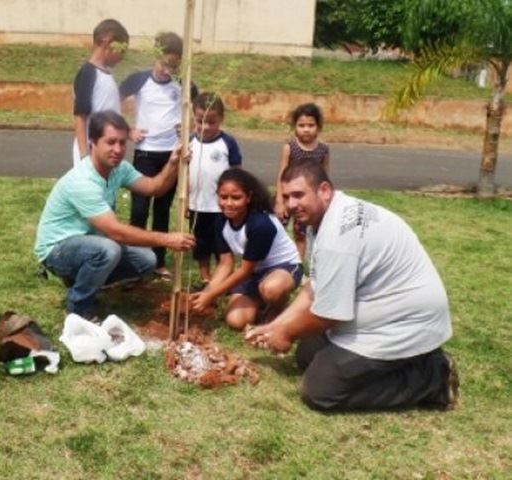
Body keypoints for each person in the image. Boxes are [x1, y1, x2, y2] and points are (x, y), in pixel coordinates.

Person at [247, 162, 458, 411]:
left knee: (320, 390)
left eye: (298, 195)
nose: (291, 204)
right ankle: (409, 360)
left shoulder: (337, 237)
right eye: (286, 197)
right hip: (382, 308)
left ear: (324, 190)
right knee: (307, 354)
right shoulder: (330, 214)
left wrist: (286, 334)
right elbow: (314, 287)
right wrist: (276, 325)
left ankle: (433, 377)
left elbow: (328, 315)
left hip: (406, 321)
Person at [35, 110, 195, 318]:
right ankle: (78, 308)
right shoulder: (83, 181)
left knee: (147, 260)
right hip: (57, 250)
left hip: (89, 244)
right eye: (110, 142)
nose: (118, 149)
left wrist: (173, 163)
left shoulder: (119, 169)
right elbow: (115, 232)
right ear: (93, 142)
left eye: (122, 142)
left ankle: (82, 278)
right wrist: (167, 239)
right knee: (107, 250)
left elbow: (153, 187)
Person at [120, 31, 198, 278]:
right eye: (164, 64)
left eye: (173, 66)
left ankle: (157, 261)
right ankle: (133, 265)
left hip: (171, 156)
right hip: (145, 154)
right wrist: (127, 129)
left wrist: (188, 127)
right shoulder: (138, 80)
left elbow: (198, 115)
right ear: (156, 56)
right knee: (140, 210)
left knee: (163, 209)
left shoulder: (185, 85)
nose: (168, 70)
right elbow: (110, 102)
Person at [190, 169, 302, 330]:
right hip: (255, 273)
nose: (228, 203)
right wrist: (208, 292)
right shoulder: (221, 220)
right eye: (223, 197)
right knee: (235, 321)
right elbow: (225, 263)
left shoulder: (260, 224)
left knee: (271, 289)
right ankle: (261, 302)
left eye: (236, 198)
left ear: (248, 197)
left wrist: (211, 295)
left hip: (284, 267)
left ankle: (277, 310)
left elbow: (244, 271)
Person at [188, 93, 242, 288]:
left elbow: (237, 172)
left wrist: (236, 199)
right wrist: (186, 200)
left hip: (221, 207)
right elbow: (184, 173)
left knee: (223, 244)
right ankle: (205, 277)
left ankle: (224, 279)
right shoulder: (189, 143)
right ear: (194, 117)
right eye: (200, 121)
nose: (206, 127)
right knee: (201, 244)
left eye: (211, 122)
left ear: (221, 119)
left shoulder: (228, 143)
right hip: (197, 205)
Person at [273, 102, 330, 259]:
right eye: (301, 125)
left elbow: (324, 176)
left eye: (311, 125)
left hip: (306, 200)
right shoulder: (290, 147)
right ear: (295, 126)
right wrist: (279, 199)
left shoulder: (323, 150)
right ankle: (273, 261)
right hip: (286, 196)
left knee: (301, 234)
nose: (306, 129)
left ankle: (296, 266)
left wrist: (324, 200)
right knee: (276, 229)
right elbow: (281, 173)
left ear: (318, 127)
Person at [72, 18, 129, 164]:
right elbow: (80, 116)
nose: (123, 57)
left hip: (106, 151)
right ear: (107, 42)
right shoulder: (88, 73)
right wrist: (85, 155)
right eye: (121, 50)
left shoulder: (106, 74)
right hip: (92, 152)